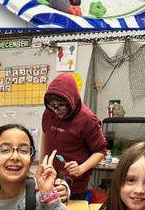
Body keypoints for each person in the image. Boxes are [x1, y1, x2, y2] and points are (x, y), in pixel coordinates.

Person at [41, 72, 107, 201]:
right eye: (52, 105)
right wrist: (41, 166)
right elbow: (45, 135)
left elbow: (100, 152)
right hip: (50, 180)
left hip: (74, 186)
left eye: (61, 106)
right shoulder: (49, 113)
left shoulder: (87, 119)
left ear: (71, 100)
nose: (56, 110)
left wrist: (80, 169)